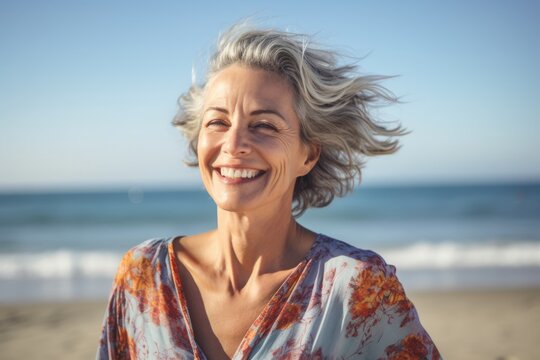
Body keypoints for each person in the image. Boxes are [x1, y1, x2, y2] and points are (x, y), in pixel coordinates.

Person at [97, 23, 441, 360]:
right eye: (217, 122)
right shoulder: (143, 276)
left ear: (308, 154)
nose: (233, 145)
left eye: (263, 125)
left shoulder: (355, 287)